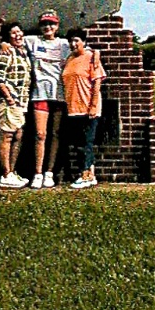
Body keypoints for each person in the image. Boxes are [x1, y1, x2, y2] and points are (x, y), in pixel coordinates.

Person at [23, 10, 70, 189]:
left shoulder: (64, 44)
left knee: (56, 134)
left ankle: (50, 172)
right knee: (40, 134)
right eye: (44, 24)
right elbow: (13, 39)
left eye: (51, 24)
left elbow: (85, 51)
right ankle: (37, 172)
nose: (48, 27)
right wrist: (4, 44)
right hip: (40, 94)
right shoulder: (32, 41)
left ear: (57, 26)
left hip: (58, 95)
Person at [62, 27, 106, 189]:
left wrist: (93, 106)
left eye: (76, 41)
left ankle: (85, 175)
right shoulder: (69, 59)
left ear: (84, 42)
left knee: (85, 144)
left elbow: (97, 83)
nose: (73, 44)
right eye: (71, 41)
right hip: (73, 108)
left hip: (87, 108)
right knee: (80, 143)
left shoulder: (91, 58)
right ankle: (90, 175)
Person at [0, 21, 32, 188]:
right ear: (8, 36)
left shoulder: (22, 53)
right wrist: (9, 99)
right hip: (8, 102)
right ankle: (6, 174)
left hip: (20, 102)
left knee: (18, 135)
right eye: (14, 33)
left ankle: (12, 172)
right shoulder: (6, 53)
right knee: (7, 136)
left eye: (20, 32)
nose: (18, 35)